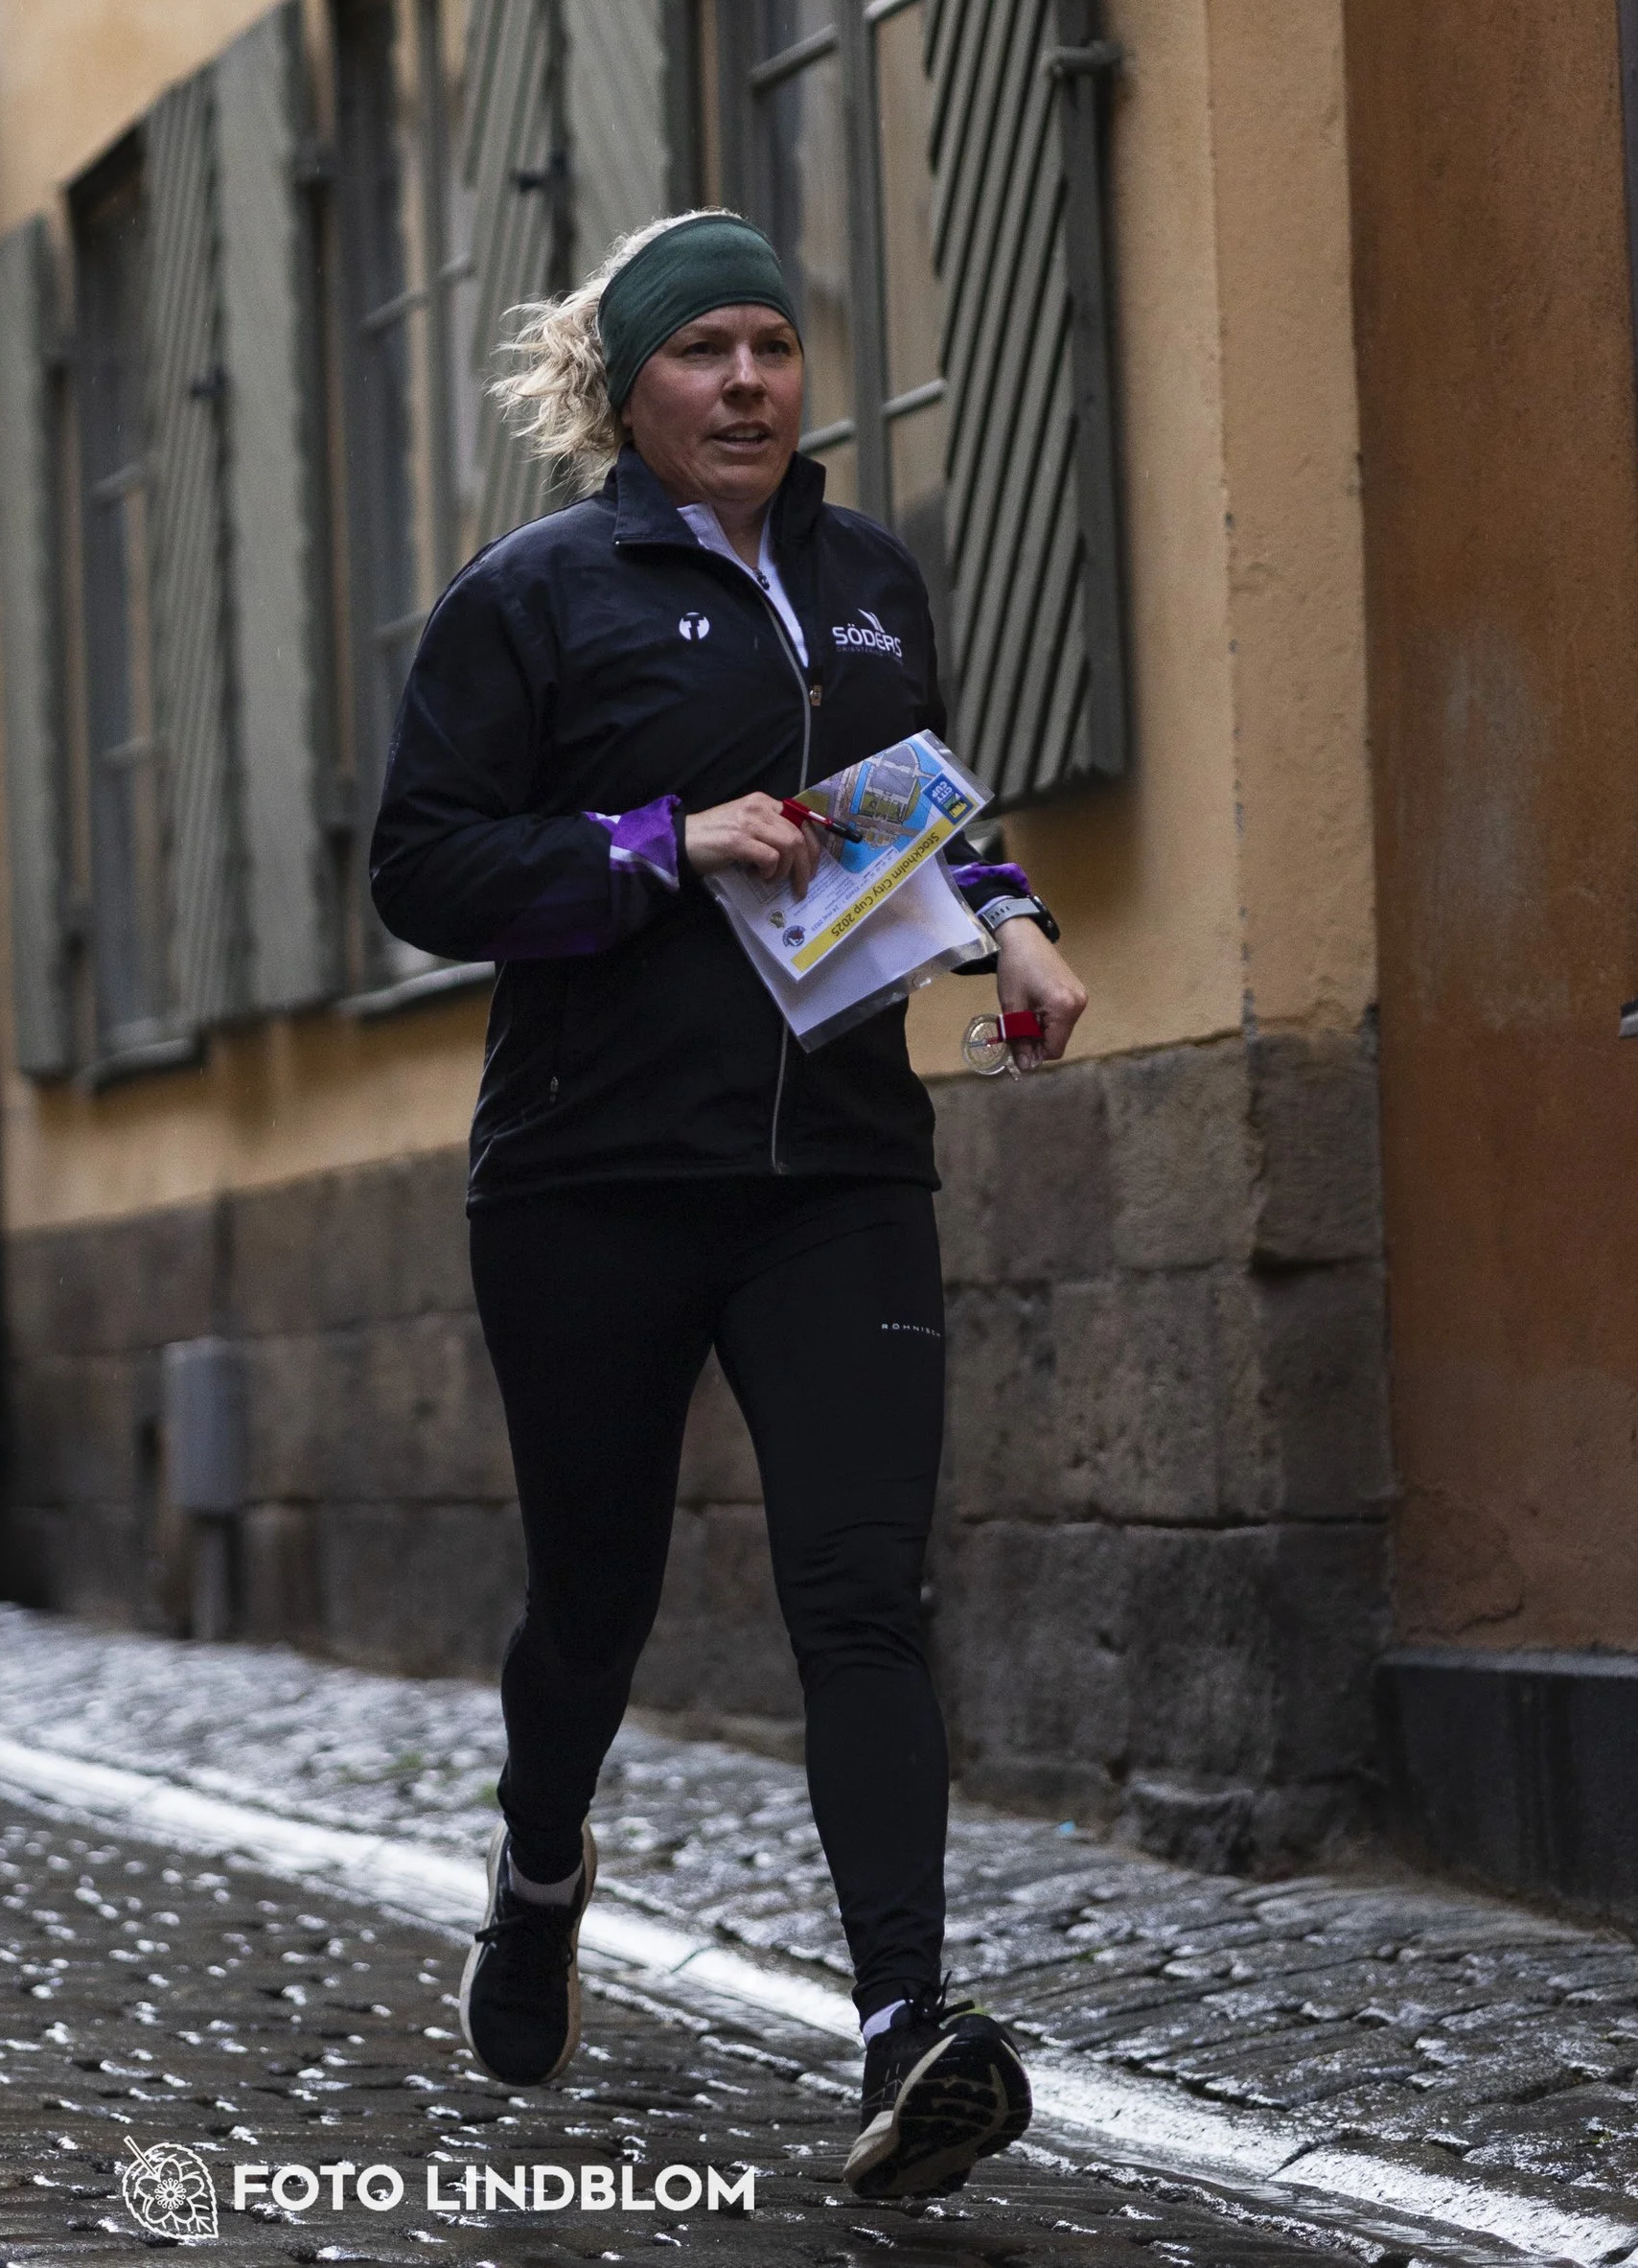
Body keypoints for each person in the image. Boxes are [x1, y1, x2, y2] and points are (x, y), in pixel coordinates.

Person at [368, 211, 1088, 2202]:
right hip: (590, 1175)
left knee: (860, 1589)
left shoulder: (866, 580)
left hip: (835, 1170)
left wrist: (1008, 925)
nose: (750, 380)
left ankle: (901, 2027)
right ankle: (536, 1869)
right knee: (588, 1602)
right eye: (705, 352)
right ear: (624, 390)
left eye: (775, 344)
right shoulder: (530, 597)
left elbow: (916, 808)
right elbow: (420, 867)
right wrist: (649, 842)